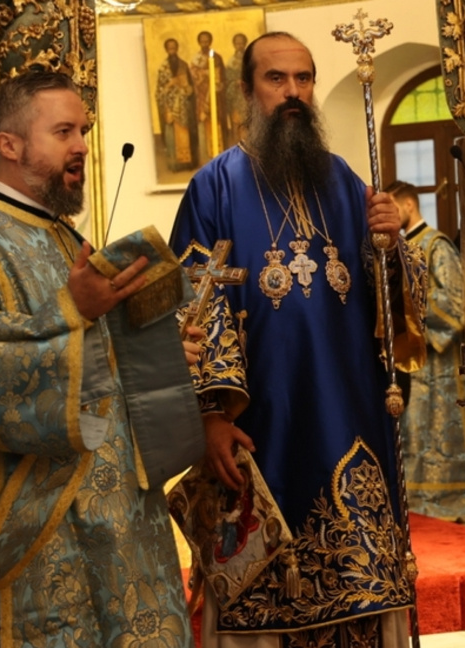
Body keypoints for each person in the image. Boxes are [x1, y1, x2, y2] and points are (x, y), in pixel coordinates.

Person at [0, 70, 203, 647]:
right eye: (63, 131)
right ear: (10, 145)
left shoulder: (61, 238)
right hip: (34, 532)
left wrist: (148, 352)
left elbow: (97, 357)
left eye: (82, 130)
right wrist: (72, 313)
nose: (81, 144)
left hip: (115, 517)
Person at [170, 31, 426, 648]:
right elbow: (194, 306)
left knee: (361, 588)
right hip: (265, 424)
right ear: (246, 90)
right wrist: (210, 417)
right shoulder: (216, 186)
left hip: (352, 420)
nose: (293, 93)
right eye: (276, 79)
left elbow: (393, 317)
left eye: (304, 79)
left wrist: (391, 249)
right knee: (266, 594)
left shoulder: (341, 178)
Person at [386, 180, 465, 523]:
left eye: (393, 208)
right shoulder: (405, 247)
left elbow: (455, 303)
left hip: (441, 364)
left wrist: (408, 303)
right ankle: (420, 504)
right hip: (413, 361)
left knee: (438, 427)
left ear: (408, 205)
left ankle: (452, 501)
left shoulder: (437, 245)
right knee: (416, 429)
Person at [156, 37, 197, 172]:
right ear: (166, 49)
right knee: (171, 135)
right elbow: (159, 92)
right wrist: (170, 84)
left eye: (174, 46)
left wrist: (186, 88)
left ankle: (186, 163)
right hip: (169, 106)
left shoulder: (184, 65)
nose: (172, 49)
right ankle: (174, 164)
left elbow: (191, 88)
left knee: (184, 133)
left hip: (183, 106)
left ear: (177, 48)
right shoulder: (163, 68)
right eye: (170, 47)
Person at [190, 31, 227, 165]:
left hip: (214, 97)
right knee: (203, 124)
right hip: (200, 97)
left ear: (210, 41)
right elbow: (193, 77)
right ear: (199, 42)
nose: (204, 43)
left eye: (207, 41)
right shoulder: (196, 59)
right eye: (202, 41)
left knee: (216, 125)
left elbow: (221, 77)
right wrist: (203, 75)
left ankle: (219, 156)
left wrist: (215, 83)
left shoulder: (217, 57)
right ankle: (207, 157)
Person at [225, 33, 249, 148]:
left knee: (248, 124)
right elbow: (227, 80)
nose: (239, 46)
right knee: (236, 124)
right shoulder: (230, 62)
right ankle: (237, 149)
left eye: (241, 43)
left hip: (247, 99)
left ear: (245, 44)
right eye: (237, 43)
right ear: (234, 45)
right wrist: (235, 83)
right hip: (235, 98)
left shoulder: (251, 60)